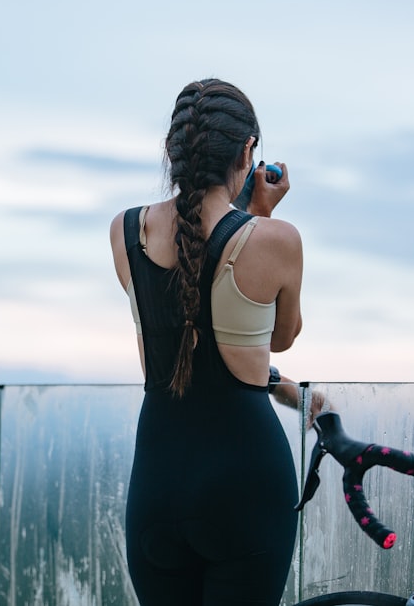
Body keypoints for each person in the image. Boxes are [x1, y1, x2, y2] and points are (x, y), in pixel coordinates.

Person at [110, 78, 327, 605]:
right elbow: (280, 337)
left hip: (157, 480)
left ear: (172, 151)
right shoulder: (277, 240)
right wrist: (258, 217)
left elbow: (189, 310)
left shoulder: (125, 230)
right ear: (249, 151)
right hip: (246, 482)